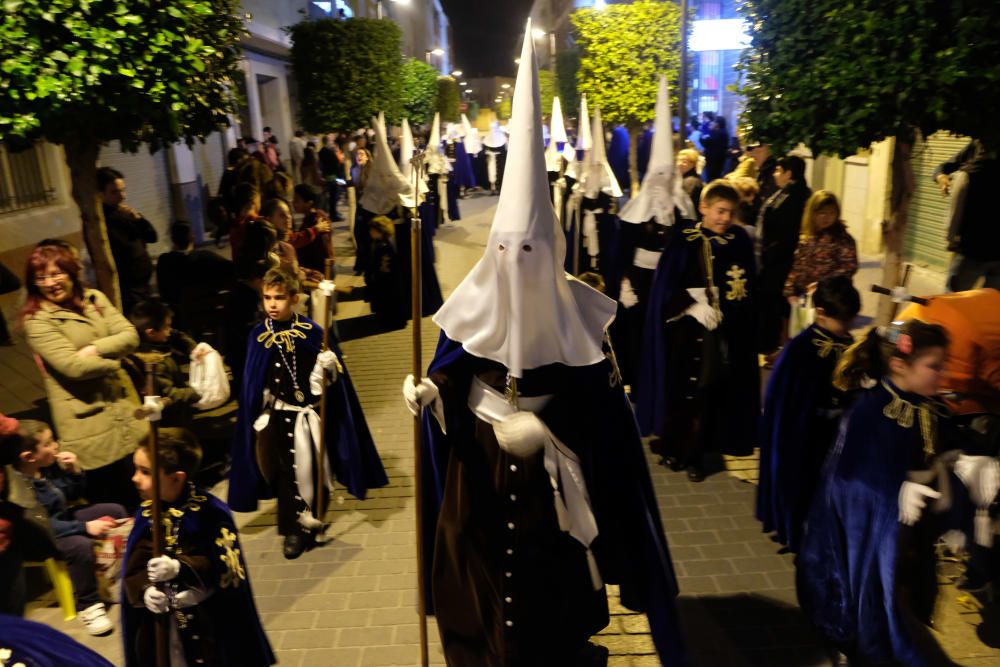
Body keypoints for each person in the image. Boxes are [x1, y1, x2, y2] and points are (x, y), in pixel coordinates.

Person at [403, 28, 687, 666]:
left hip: (550, 480)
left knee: (548, 584)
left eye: (527, 251)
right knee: (474, 565)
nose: (513, 263)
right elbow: (457, 367)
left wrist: (547, 430)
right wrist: (433, 392)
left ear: (551, 255)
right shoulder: (475, 307)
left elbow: (603, 419)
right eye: (503, 250)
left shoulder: (579, 324)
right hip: (477, 461)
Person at [797, 320, 966, 667]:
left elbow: (940, 456)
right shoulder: (868, 411)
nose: (942, 374)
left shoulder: (928, 407)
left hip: (905, 537)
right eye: (934, 366)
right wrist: (896, 492)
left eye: (944, 364)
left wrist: (962, 479)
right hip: (872, 536)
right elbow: (846, 481)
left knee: (902, 602)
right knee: (876, 607)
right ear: (900, 365)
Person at [228, 269, 387, 559]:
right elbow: (253, 380)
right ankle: (293, 528)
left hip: (309, 416)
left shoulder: (314, 333)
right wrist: (258, 409)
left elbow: (332, 385)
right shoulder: (258, 335)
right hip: (277, 416)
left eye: (279, 298)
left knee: (312, 471)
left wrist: (326, 369)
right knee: (286, 474)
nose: (272, 304)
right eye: (267, 298)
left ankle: (309, 521)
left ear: (294, 298)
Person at [636, 180, 760, 482]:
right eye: (719, 211)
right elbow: (665, 289)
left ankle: (697, 454)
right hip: (684, 334)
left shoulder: (739, 241)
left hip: (721, 334)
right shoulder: (685, 240)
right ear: (703, 208)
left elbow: (748, 288)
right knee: (680, 391)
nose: (725, 219)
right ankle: (674, 445)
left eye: (730, 213)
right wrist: (691, 305)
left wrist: (728, 312)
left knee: (707, 391)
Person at [122, 432, 274, 666]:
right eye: (136, 469)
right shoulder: (146, 514)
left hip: (207, 626)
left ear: (177, 478)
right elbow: (134, 568)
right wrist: (144, 590)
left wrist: (180, 567)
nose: (135, 478)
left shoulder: (211, 514)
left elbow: (228, 572)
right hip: (163, 627)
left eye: (146, 472)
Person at [20, 242, 148, 508]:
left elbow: (130, 336)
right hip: (89, 424)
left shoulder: (94, 300)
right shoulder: (37, 321)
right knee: (115, 507)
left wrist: (95, 349)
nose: (50, 283)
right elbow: (73, 367)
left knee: (148, 497)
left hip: (126, 411)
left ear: (71, 272)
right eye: (41, 277)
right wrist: (117, 362)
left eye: (56, 274)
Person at [756, 277, 861, 553]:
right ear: (822, 313)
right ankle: (799, 536)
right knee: (801, 487)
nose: (848, 327)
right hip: (804, 434)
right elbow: (788, 399)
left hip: (833, 433)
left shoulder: (847, 343)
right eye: (844, 321)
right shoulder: (802, 349)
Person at [610, 76, 696, 391]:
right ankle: (634, 378)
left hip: (670, 280)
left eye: (667, 174)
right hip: (640, 279)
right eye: (656, 175)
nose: (662, 181)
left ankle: (664, 380)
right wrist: (622, 284)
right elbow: (620, 253)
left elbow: (689, 245)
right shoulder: (635, 212)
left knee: (666, 330)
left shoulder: (683, 209)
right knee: (636, 330)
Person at [4, 420, 127, 635]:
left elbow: (70, 495)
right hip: (40, 536)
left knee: (115, 510)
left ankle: (119, 573)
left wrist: (74, 471)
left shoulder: (45, 470)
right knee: (79, 546)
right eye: (49, 443)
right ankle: (88, 606)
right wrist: (84, 526)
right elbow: (41, 523)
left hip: (61, 520)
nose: (56, 446)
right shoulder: (18, 486)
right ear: (29, 457)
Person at [756, 155, 812, 358]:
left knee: (781, 308)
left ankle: (779, 348)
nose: (775, 174)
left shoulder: (791, 197)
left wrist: (771, 253)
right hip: (780, 261)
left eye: (779, 170)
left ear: (789, 174)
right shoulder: (792, 194)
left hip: (782, 263)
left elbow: (783, 231)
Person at [98, 166, 158, 314]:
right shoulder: (101, 222)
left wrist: (138, 219)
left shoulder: (125, 213)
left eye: (123, 190)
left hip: (143, 284)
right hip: (129, 289)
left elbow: (152, 236)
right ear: (100, 194)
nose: (122, 196)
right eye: (115, 192)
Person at [783, 191, 859, 304]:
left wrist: (822, 284)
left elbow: (848, 268)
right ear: (812, 213)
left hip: (829, 298)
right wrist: (790, 292)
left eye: (831, 213)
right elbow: (796, 266)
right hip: (802, 297)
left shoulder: (842, 239)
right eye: (822, 212)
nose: (826, 217)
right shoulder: (805, 236)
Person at [365, 215, 406, 330]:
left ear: (380, 231)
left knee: (387, 304)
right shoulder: (380, 244)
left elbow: (384, 267)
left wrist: (374, 279)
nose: (370, 232)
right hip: (385, 282)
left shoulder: (383, 247)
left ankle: (390, 322)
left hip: (386, 284)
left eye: (373, 230)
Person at [291, 184, 336, 273]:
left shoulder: (317, 220)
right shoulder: (313, 217)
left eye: (297, 200)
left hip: (320, 270)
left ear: (309, 203)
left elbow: (325, 247)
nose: (293, 203)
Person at [677, 148, 703, 216]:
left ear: (693, 164)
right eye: (678, 160)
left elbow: (684, 206)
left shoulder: (691, 181)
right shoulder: (684, 178)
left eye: (684, 161)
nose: (679, 164)